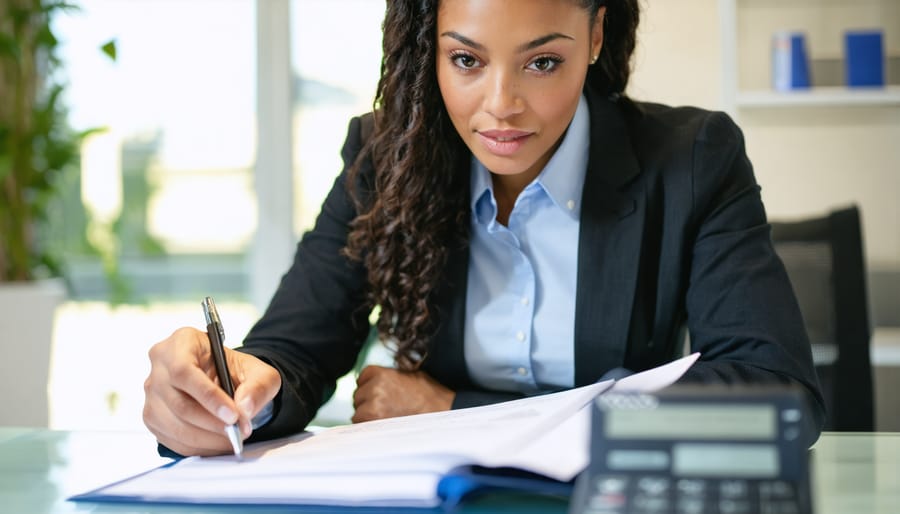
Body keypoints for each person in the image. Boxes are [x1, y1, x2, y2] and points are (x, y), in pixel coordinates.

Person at [143, 0, 825, 457]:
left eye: (542, 62)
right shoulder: (385, 157)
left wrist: (459, 411)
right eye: (466, 61)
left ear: (594, 36)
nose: (502, 107)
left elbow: (776, 393)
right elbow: (295, 350)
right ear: (429, 50)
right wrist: (232, 394)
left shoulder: (692, 159)